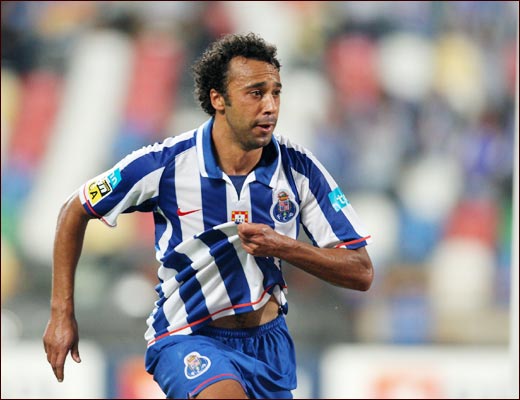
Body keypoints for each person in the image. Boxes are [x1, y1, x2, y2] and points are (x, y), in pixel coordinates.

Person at [43, 32, 374, 399]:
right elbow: (74, 209)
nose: (270, 106)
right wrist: (61, 313)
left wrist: (284, 247)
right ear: (218, 99)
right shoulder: (165, 164)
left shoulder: (299, 169)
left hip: (269, 344)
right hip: (189, 335)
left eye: (276, 93)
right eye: (255, 93)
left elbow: (360, 271)